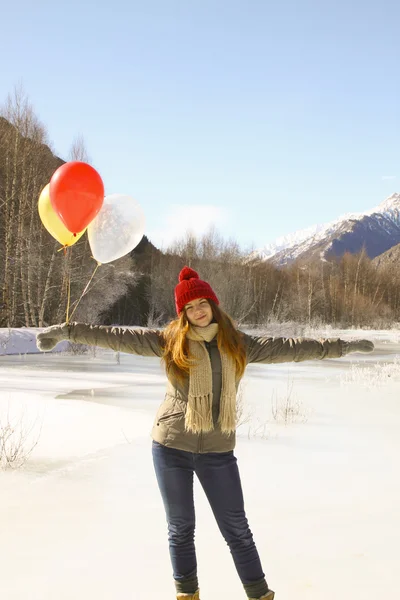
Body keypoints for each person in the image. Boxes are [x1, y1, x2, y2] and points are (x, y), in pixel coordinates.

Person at [36, 266, 374, 600]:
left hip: (217, 450)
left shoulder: (240, 344)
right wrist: (66, 331)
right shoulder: (169, 342)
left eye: (202, 304)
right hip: (170, 446)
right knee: (181, 529)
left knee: (237, 530)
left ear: (213, 304)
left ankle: (258, 595)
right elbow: (116, 337)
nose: (197, 312)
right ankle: (187, 595)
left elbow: (292, 347)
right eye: (189, 308)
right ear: (182, 313)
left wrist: (342, 346)